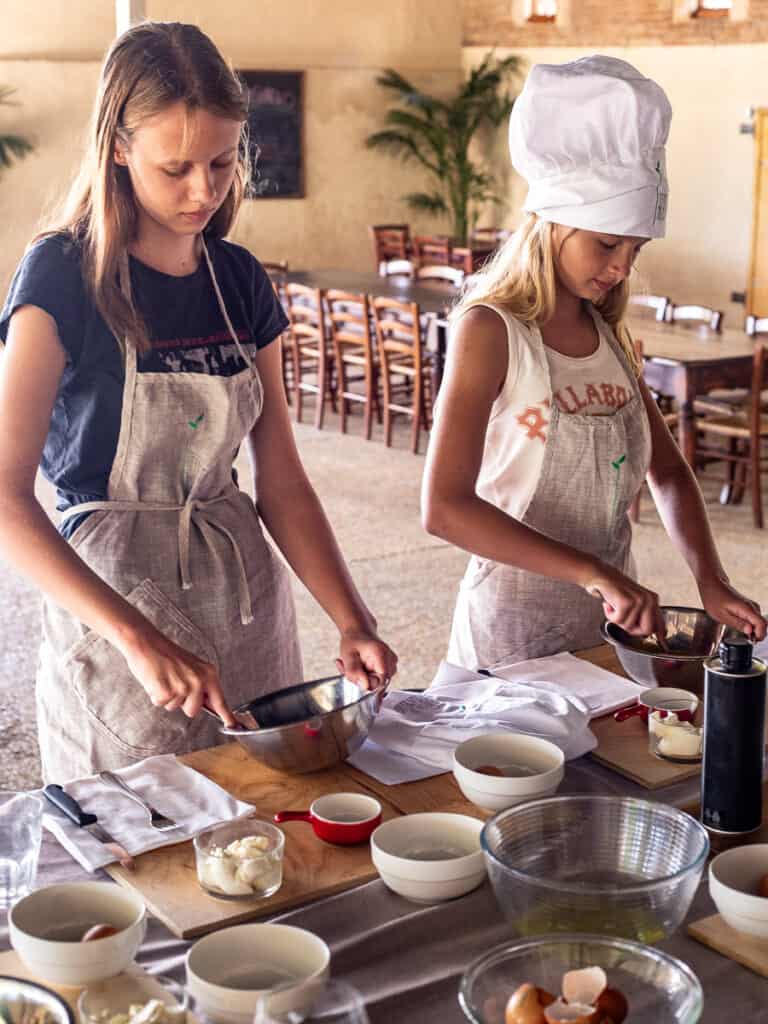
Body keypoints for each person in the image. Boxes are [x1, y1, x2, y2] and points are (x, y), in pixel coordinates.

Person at [0, 21, 397, 781]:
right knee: (142, 845)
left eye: (221, 162)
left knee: (264, 816)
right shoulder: (61, 275)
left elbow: (281, 478)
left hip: (243, 592)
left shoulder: (239, 278)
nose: (203, 192)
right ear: (118, 147)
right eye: (175, 167)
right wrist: (136, 637)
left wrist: (352, 618)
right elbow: (6, 496)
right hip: (115, 603)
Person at [421, 55, 765, 672]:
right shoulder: (491, 331)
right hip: (511, 629)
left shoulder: (609, 335)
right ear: (550, 225)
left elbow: (669, 473)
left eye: (636, 249)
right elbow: (444, 508)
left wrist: (710, 579)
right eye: (607, 243)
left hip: (607, 624)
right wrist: (591, 570)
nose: (621, 268)